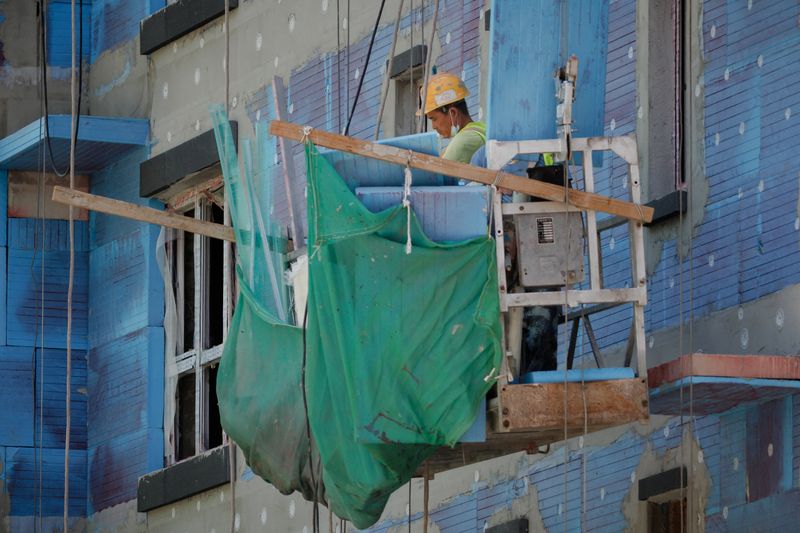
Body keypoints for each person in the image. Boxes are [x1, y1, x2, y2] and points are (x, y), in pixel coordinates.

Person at [420, 72, 486, 164]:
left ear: (453, 113)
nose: (433, 126)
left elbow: (436, 175)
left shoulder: (464, 140)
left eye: (434, 119)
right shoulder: (481, 128)